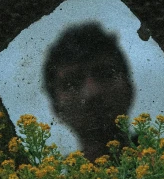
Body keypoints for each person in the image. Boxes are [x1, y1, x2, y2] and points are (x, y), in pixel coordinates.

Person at [42, 21, 135, 161]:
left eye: (105, 74)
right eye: (71, 83)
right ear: (56, 107)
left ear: (129, 87)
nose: (92, 93)